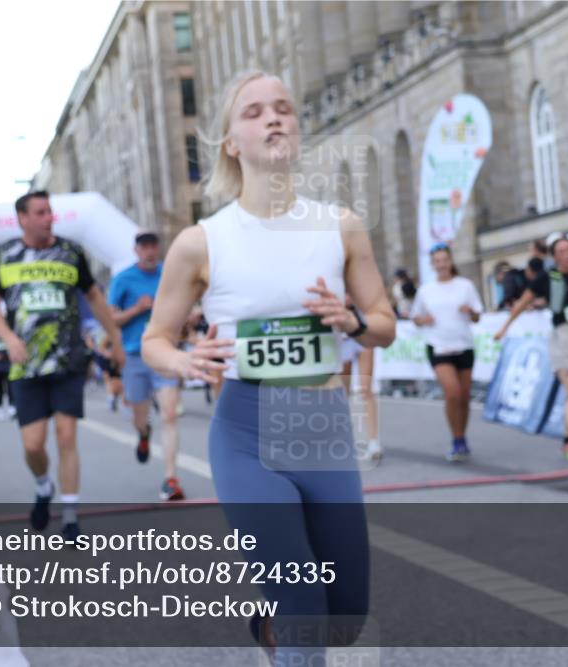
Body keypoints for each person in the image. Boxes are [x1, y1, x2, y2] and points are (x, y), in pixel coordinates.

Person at [140, 70, 395, 665]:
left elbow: (384, 322)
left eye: (284, 108)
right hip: (247, 429)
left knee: (345, 617)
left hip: (323, 426)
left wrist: (352, 322)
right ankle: (289, 621)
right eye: (254, 112)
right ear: (231, 141)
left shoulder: (340, 225)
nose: (274, 118)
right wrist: (185, 359)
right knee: (305, 608)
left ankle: (274, 622)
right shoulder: (201, 242)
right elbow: (155, 339)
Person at [0, 190, 123, 540]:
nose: (50, 218)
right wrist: (10, 340)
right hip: (25, 366)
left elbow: (94, 296)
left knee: (66, 436)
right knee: (33, 445)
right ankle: (44, 486)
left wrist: (115, 339)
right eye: (41, 212)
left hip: (67, 360)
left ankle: (71, 516)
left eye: (51, 211)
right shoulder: (4, 255)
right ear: (23, 218)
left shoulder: (71, 252)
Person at [494, 235, 568, 462]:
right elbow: (522, 303)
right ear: (554, 256)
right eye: (562, 251)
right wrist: (505, 327)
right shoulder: (547, 278)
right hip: (564, 337)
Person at [108, 230, 185, 502]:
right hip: (135, 355)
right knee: (140, 416)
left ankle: (170, 478)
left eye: (154, 246)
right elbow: (112, 319)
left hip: (165, 351)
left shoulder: (170, 273)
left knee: (170, 414)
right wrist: (137, 309)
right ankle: (143, 433)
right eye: (145, 247)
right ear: (137, 250)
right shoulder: (123, 279)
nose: (150, 251)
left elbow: (184, 303)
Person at [410, 243, 483, 461]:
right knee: (452, 393)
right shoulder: (426, 290)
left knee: (464, 397)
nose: (442, 264)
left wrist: (470, 312)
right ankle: (456, 439)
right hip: (438, 346)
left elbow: (478, 315)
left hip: (464, 345)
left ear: (451, 261)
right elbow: (415, 318)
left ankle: (462, 438)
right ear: (433, 264)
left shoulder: (465, 286)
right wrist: (425, 320)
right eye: (438, 261)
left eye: (445, 260)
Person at [339, 296, 381, 462]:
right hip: (339, 338)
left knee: (366, 389)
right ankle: (344, 439)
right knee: (342, 393)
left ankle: (373, 442)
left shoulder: (357, 274)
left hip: (362, 333)